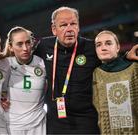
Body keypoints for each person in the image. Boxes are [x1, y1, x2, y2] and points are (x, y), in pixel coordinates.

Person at [34, 6, 138, 134]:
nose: (69, 29)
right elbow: (25, 62)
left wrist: (126, 57)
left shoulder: (90, 47)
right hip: (56, 122)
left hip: (87, 121)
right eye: (63, 25)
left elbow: (110, 62)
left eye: (73, 24)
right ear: (54, 29)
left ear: (78, 27)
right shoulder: (44, 46)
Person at [0, 26, 47, 135]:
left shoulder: (43, 63)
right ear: (11, 47)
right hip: (12, 126)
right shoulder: (3, 64)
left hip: (38, 125)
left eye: (27, 43)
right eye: (19, 44)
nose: (25, 48)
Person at [93, 30, 138, 134]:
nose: (103, 48)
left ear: (118, 47)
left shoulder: (134, 69)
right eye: (98, 45)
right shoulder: (93, 74)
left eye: (108, 43)